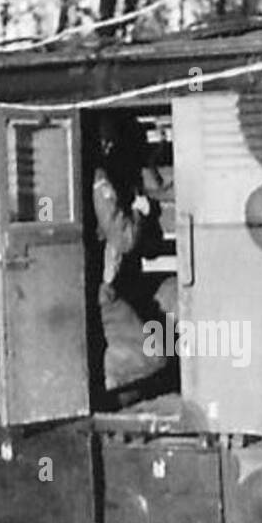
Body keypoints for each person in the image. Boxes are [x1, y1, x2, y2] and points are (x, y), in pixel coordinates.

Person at [91, 112, 178, 393]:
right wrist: (140, 213)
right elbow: (125, 238)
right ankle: (108, 388)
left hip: (115, 283)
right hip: (106, 290)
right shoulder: (101, 182)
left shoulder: (110, 176)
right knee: (154, 354)